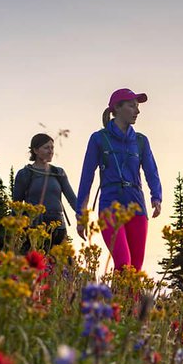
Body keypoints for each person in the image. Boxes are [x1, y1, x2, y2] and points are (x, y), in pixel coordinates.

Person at [75, 88, 162, 270]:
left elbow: (151, 170)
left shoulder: (141, 141)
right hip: (109, 207)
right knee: (123, 262)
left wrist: (156, 196)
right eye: (132, 106)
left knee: (134, 270)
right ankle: (117, 299)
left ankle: (122, 300)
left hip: (137, 207)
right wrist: (81, 214)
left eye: (137, 107)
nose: (137, 111)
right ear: (117, 108)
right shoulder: (98, 139)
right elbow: (87, 177)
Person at [12, 133, 77, 247]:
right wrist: (16, 230)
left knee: (61, 262)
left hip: (58, 226)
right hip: (34, 226)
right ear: (35, 150)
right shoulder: (25, 174)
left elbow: (72, 199)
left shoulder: (58, 172)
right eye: (46, 148)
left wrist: (83, 216)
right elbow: (16, 205)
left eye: (52, 148)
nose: (51, 151)